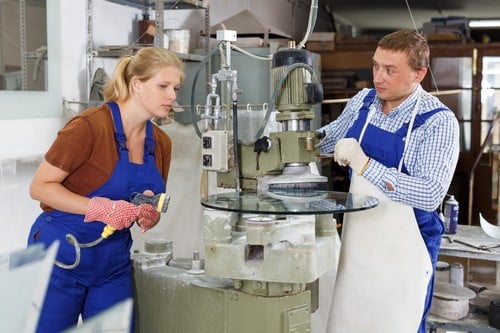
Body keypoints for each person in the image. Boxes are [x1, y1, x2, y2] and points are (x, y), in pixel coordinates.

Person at [27, 47, 184, 333]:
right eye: (163, 86)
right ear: (137, 84)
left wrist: (150, 215)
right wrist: (99, 208)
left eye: (175, 87)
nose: (172, 95)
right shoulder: (88, 127)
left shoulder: (161, 143)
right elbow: (39, 187)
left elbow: (155, 201)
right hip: (61, 251)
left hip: (112, 262)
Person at [317, 29, 459, 333]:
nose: (378, 77)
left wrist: (365, 164)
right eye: (375, 66)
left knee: (398, 324)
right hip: (359, 241)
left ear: (419, 74)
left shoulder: (437, 122)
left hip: (406, 248)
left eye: (390, 70)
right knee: (348, 322)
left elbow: (430, 194)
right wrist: (289, 136)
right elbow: (327, 140)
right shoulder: (363, 102)